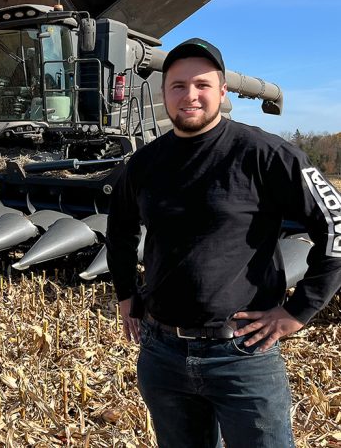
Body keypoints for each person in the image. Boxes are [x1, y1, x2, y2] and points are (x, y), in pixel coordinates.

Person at [106, 37, 341, 448]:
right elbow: (120, 228)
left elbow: (336, 225)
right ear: (164, 94)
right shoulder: (144, 163)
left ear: (222, 92)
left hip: (242, 356)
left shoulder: (267, 154)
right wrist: (126, 292)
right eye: (178, 85)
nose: (190, 95)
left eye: (202, 85)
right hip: (162, 355)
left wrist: (298, 310)